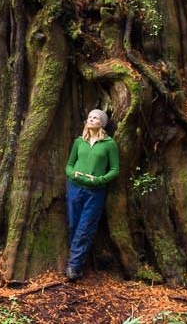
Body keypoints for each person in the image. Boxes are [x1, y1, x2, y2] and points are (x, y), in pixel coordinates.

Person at [64, 108, 119, 280]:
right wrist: (72, 174)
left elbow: (114, 169)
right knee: (73, 225)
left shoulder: (109, 144)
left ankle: (73, 267)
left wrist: (99, 180)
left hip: (95, 192)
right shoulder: (79, 142)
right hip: (74, 188)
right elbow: (69, 165)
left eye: (95, 117)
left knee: (85, 228)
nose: (91, 119)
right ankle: (76, 262)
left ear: (102, 123)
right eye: (89, 117)